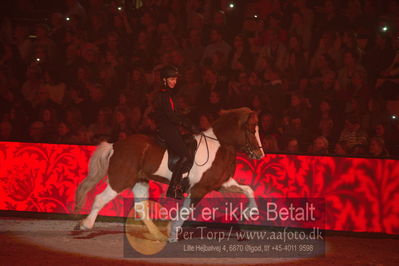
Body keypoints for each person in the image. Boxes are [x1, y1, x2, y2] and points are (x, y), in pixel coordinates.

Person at [152, 64, 200, 199]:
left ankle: (183, 184)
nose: (174, 82)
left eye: (175, 79)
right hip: (167, 128)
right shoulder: (164, 95)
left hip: (171, 127)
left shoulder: (169, 94)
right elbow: (171, 116)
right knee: (185, 154)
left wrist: (187, 121)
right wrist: (187, 125)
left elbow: (174, 114)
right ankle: (172, 188)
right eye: (171, 79)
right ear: (164, 80)